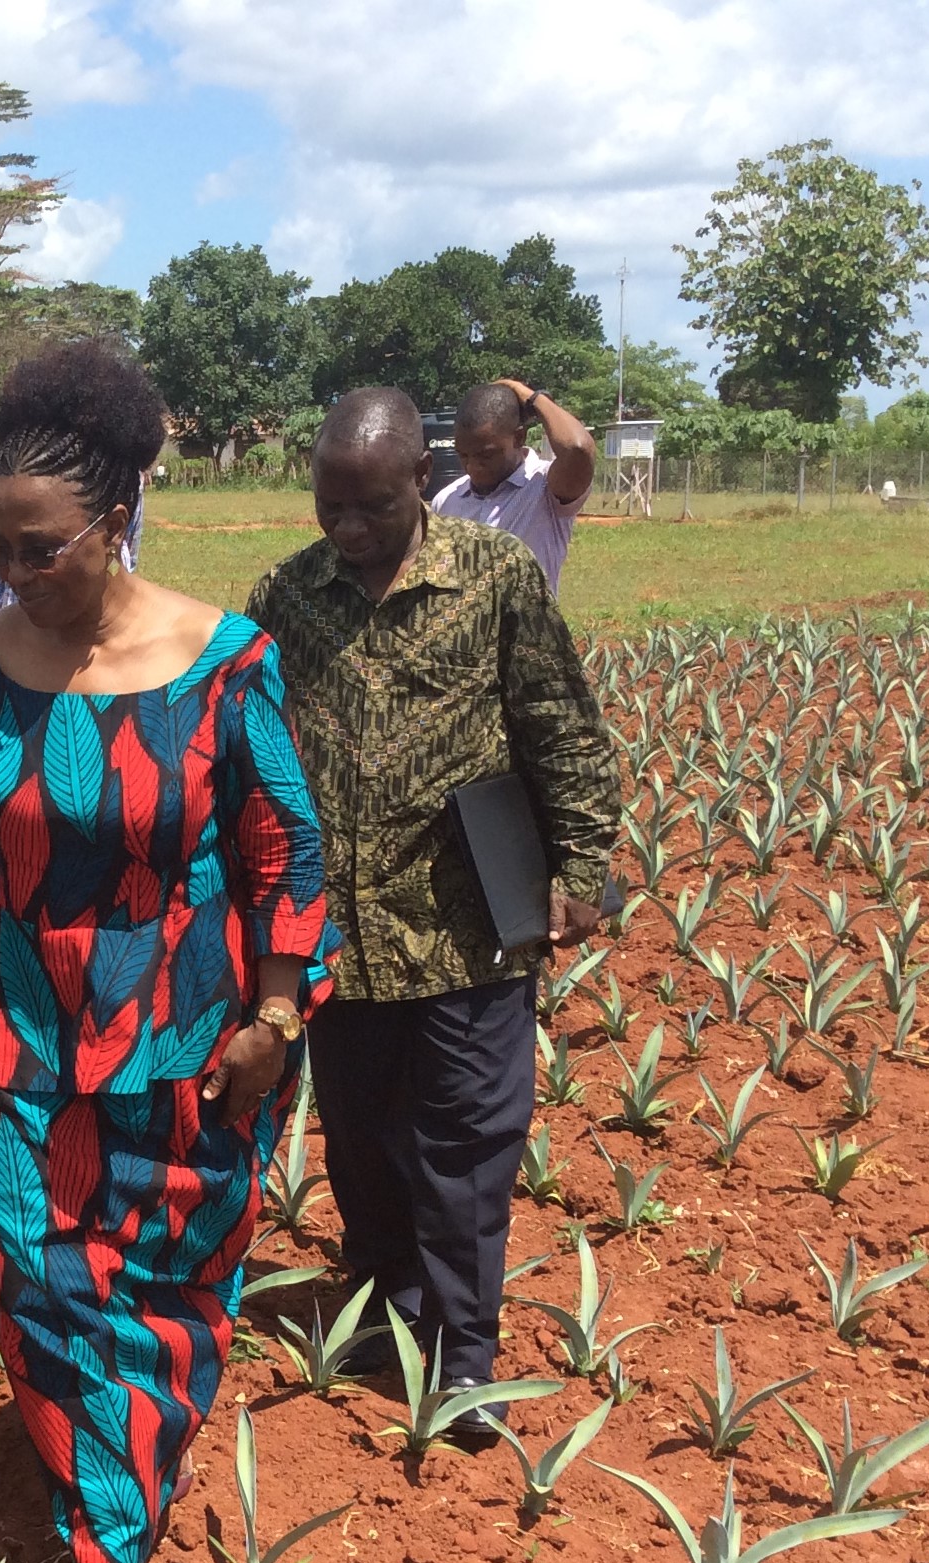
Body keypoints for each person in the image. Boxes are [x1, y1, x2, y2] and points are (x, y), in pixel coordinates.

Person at [0, 343, 337, 1563]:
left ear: (115, 521)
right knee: (36, 1278)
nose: (17, 574)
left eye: (42, 550)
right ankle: (109, 1557)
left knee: (161, 1286)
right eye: (0, 548)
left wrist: (275, 1011)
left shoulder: (225, 661)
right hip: (6, 1026)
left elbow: (285, 848)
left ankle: (126, 1469)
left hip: (187, 1031)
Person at [247, 386, 620, 1438]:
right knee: (362, 1144)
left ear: (422, 480)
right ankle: (382, 1314)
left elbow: (558, 725)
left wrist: (581, 864)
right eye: (331, 506)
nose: (350, 528)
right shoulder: (287, 596)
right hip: (342, 940)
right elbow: (249, 747)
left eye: (370, 504)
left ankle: (463, 1361)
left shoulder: (493, 574)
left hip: (463, 923)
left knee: (464, 1147)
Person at [430, 378, 597, 592]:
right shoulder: (447, 500)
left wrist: (533, 397)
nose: (473, 466)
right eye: (463, 455)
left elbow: (578, 448)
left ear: (519, 437)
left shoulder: (545, 489)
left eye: (486, 455)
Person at [0, 451, 146, 619]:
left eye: (41, 552)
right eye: (2, 552)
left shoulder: (122, 473)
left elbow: (125, 549)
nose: (16, 575)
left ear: (113, 529)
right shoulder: (7, 469)